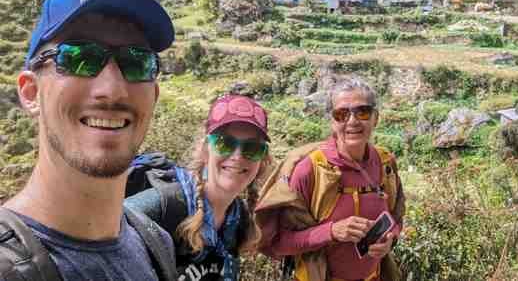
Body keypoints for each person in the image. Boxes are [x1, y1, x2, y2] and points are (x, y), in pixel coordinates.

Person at [0, 0, 177, 281]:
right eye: (79, 58)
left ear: (154, 96)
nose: (112, 90)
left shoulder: (156, 242)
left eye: (136, 62)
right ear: (31, 93)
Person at [255, 77, 405, 281]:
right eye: (341, 114)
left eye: (363, 112)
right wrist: (332, 231)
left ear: (375, 118)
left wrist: (390, 239)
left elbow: (395, 219)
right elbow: (279, 242)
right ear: (332, 122)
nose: (352, 121)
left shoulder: (386, 163)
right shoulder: (310, 169)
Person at [125, 94, 272, 281]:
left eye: (252, 148)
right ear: (205, 151)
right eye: (225, 143)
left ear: (262, 160)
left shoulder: (237, 219)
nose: (237, 155)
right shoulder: (166, 205)